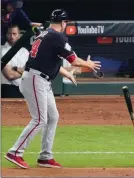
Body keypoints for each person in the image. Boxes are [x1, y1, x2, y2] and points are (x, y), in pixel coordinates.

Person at [4, 9, 101, 169]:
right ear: (64, 23)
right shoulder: (57, 37)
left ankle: (45, 156)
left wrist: (67, 74)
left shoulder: (46, 34)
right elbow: (74, 60)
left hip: (39, 78)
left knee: (53, 116)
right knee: (40, 119)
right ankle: (15, 152)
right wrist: (89, 64)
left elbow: (50, 59)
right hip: (36, 79)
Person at [1, 24, 29, 98]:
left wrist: (16, 69)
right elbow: (9, 75)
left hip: (24, 89)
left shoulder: (25, 51)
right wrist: (24, 71)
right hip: (7, 89)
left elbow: (31, 72)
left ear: (19, 35)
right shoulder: (2, 50)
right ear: (6, 35)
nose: (12, 36)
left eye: (14, 34)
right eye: (9, 34)